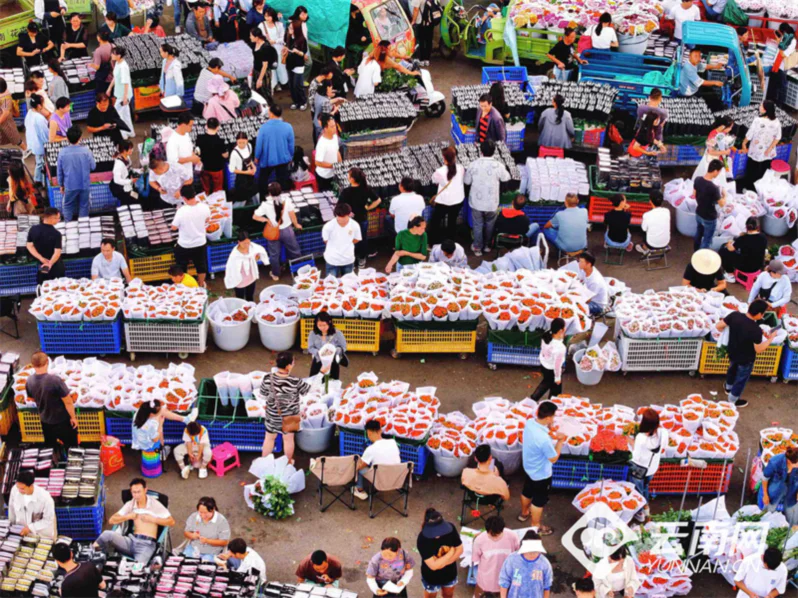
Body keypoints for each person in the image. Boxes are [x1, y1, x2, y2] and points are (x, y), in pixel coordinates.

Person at [95, 478, 175, 564]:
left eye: (139, 492)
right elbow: (112, 520)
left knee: (137, 570)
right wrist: (128, 516)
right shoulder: (130, 504)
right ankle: (95, 556)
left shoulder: (155, 504)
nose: (137, 495)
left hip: (146, 545)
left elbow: (171, 522)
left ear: (145, 490)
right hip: (131, 541)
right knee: (107, 534)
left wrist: (153, 519)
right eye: (134, 492)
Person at [715, 299, 776, 408]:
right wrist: (770, 339)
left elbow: (719, 326)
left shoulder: (734, 315)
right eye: (763, 314)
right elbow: (759, 349)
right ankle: (732, 400)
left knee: (732, 369)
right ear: (758, 314)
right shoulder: (755, 330)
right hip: (746, 359)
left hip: (732, 351)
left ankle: (728, 387)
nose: (763, 316)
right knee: (741, 379)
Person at [519, 401, 565, 532]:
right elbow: (553, 458)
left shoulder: (530, 423)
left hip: (528, 467)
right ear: (548, 418)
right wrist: (561, 441)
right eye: (553, 417)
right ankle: (536, 526)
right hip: (541, 473)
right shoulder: (544, 439)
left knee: (527, 491)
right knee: (538, 501)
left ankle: (524, 514)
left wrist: (549, 427)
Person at [260, 351, 309, 461]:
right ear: (288, 366)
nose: (294, 364)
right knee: (288, 439)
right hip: (290, 415)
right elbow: (308, 391)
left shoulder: (267, 378)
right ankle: (288, 462)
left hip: (273, 414)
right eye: (293, 362)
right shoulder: (295, 381)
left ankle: (263, 463)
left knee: (269, 438)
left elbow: (262, 395)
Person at [465, 140, 511, 257]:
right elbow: (506, 178)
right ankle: (487, 246)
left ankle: (477, 247)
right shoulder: (498, 165)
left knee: (478, 224)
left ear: (481, 151)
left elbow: (467, 181)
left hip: (476, 202)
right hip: (492, 203)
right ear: (494, 151)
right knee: (490, 224)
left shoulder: (473, 164)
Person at [253, 182, 302, 281]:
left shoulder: (265, 204)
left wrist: (266, 220)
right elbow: (292, 214)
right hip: (287, 230)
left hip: (273, 232)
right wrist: (296, 224)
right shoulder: (286, 201)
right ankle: (299, 271)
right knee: (295, 251)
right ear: (281, 191)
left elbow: (255, 216)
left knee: (274, 255)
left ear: (270, 193)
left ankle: (275, 274)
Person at [339, 166, 381, 268]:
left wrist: (347, 213)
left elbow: (340, 206)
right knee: (362, 239)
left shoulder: (346, 192)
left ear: (352, 179)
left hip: (350, 221)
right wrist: (369, 208)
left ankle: (351, 261)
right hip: (362, 219)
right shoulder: (367, 189)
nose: (347, 177)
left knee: (350, 240)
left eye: (349, 176)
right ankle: (362, 259)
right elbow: (378, 200)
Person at [417, 509, 463, 598]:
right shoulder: (422, 539)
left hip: (450, 574)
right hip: (431, 578)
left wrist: (440, 563)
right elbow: (433, 566)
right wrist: (451, 552)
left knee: (448, 595)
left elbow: (460, 550)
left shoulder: (451, 529)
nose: (437, 535)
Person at [171, 185, 210, 288]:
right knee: (201, 266)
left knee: (182, 266)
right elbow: (207, 220)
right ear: (194, 195)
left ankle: (183, 286)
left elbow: (174, 227)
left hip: (184, 244)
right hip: (200, 242)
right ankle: (201, 284)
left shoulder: (181, 211)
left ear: (183, 198)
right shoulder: (204, 207)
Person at [353, 419, 401, 500]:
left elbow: (360, 466)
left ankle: (359, 489)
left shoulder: (370, 449)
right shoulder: (393, 442)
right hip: (396, 479)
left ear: (369, 433)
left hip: (380, 481)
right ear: (380, 430)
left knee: (359, 466)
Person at [473, 517, 519, 598]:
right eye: (491, 534)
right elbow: (476, 559)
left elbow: (518, 555)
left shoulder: (513, 537)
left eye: (497, 534)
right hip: (486, 579)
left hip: (506, 577)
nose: (494, 537)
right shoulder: (479, 540)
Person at [254, 104, 295, 195]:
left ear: (271, 114)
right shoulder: (288, 127)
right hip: (283, 159)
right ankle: (282, 198)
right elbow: (291, 145)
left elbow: (259, 145)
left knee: (263, 180)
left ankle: (264, 197)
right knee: (282, 181)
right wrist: (291, 155)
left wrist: (257, 157)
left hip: (267, 160)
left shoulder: (264, 128)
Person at [630, 408, 668, 507]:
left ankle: (643, 511)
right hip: (652, 469)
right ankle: (646, 502)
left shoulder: (641, 438)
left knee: (638, 490)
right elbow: (663, 447)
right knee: (645, 486)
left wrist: (630, 444)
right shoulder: (663, 433)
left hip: (640, 470)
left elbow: (636, 457)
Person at [57, 126, 95, 221]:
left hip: (69, 185)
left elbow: (59, 172)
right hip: (84, 184)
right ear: (80, 138)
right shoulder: (87, 151)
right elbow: (93, 166)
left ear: (68, 138)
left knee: (68, 206)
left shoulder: (62, 153)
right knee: (83, 206)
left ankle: (68, 226)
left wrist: (61, 185)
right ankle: (83, 227)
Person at [498, 530, 552, 598]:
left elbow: (547, 587)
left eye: (535, 551)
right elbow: (504, 581)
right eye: (529, 551)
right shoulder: (511, 560)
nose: (532, 554)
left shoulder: (545, 564)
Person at [741, 100, 781, 191]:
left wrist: (744, 143)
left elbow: (750, 134)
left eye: (761, 106)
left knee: (752, 169)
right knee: (764, 170)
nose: (759, 107)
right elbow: (778, 137)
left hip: (756, 150)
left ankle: (749, 188)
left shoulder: (757, 121)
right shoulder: (776, 122)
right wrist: (769, 149)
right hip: (768, 152)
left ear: (765, 110)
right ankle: (760, 189)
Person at [429, 146, 465, 244]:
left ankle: (433, 242)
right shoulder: (461, 168)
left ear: (444, 159)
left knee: (435, 221)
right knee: (452, 221)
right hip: (457, 200)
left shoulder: (439, 172)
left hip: (444, 201)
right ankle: (450, 242)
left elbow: (434, 180)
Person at [8, 470, 56, 539]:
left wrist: (30, 528)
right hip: (22, 531)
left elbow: (48, 520)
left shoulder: (45, 498)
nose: (19, 491)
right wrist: (11, 527)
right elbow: (11, 509)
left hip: (40, 533)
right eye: (18, 487)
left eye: (22, 489)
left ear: (30, 486)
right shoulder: (15, 490)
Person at [529, 317, 567, 402]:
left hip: (544, 364)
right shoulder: (560, 348)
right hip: (552, 369)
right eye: (564, 327)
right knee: (555, 390)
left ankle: (533, 399)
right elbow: (557, 366)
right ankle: (550, 404)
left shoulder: (547, 335)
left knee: (546, 382)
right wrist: (557, 378)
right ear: (561, 330)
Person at [692, 159, 727, 250]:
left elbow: (694, 194)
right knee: (707, 240)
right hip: (709, 217)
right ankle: (702, 259)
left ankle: (696, 252)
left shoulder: (698, 179)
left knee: (698, 234)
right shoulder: (713, 188)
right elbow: (722, 204)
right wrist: (724, 195)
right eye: (719, 172)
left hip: (699, 213)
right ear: (715, 171)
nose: (718, 174)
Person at [224, 231, 268, 301]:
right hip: (239, 281)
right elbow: (230, 268)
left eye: (248, 242)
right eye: (244, 243)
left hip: (251, 278)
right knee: (240, 300)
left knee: (250, 297)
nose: (247, 245)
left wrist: (257, 258)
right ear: (239, 242)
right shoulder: (234, 255)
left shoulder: (252, 247)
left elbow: (259, 252)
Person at [322, 202, 362, 277]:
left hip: (348, 260)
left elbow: (357, 239)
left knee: (348, 284)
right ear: (336, 215)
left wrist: (346, 243)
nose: (342, 219)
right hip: (332, 260)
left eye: (344, 216)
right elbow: (326, 240)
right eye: (340, 216)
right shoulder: (328, 226)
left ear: (349, 214)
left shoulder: (355, 225)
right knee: (331, 285)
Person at [26, 209, 65, 283]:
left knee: (43, 286)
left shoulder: (33, 229)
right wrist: (50, 263)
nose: (59, 220)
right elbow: (57, 253)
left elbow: (29, 246)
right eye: (58, 218)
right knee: (58, 289)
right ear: (51, 218)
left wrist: (41, 258)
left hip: (43, 266)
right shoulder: (56, 234)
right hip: (55, 266)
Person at [692, 116, 735, 182]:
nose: (731, 129)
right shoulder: (713, 135)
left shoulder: (723, 133)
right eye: (730, 127)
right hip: (711, 161)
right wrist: (724, 152)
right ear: (723, 126)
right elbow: (710, 152)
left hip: (720, 160)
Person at [307, 312, 348, 379]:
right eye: (320, 325)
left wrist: (337, 350)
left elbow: (344, 347)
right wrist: (319, 353)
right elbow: (310, 347)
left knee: (332, 382)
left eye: (324, 325)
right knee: (315, 381)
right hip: (318, 360)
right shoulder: (312, 334)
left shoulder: (337, 333)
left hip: (333, 361)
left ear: (329, 323)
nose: (322, 328)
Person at [762, 447, 798, 523]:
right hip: (775, 489)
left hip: (792, 488)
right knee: (769, 511)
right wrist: (765, 495)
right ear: (789, 461)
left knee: (793, 513)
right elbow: (765, 478)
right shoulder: (775, 462)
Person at [197, 117, 229, 194]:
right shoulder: (220, 141)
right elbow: (225, 155)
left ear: (206, 126)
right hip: (216, 168)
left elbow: (197, 152)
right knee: (217, 189)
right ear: (218, 127)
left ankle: (205, 203)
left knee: (205, 189)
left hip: (204, 167)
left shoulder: (199, 138)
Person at [167, 112, 201, 185]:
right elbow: (173, 161)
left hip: (188, 175)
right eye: (190, 125)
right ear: (183, 125)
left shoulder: (186, 135)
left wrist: (195, 157)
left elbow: (189, 149)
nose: (191, 128)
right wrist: (191, 159)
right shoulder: (173, 140)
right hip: (179, 180)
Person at [108, 46, 134, 140]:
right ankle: (130, 132)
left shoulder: (123, 67)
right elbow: (115, 77)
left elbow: (126, 82)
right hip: (120, 93)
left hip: (123, 95)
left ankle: (123, 135)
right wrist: (109, 88)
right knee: (125, 114)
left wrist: (125, 97)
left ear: (119, 56)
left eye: (113, 54)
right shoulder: (118, 64)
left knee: (118, 115)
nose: (111, 55)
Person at [634, 191, 669, 256]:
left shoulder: (647, 215)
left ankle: (645, 248)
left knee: (643, 230)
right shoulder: (667, 211)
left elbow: (644, 229)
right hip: (665, 243)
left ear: (650, 201)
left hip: (651, 244)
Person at [25, 94, 49, 186]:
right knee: (40, 163)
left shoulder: (29, 113)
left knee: (38, 162)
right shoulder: (39, 118)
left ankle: (38, 179)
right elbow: (44, 133)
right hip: (39, 144)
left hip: (32, 142)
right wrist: (48, 143)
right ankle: (40, 182)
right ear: (39, 106)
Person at [286, 17, 309, 110]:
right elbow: (285, 45)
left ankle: (303, 101)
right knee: (291, 85)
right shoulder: (288, 36)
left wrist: (297, 51)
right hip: (290, 63)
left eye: (291, 28)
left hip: (298, 64)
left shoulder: (302, 39)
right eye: (289, 28)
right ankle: (295, 101)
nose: (289, 30)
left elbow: (304, 52)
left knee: (298, 85)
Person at [262, 8, 287, 91]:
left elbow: (283, 37)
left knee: (281, 67)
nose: (267, 18)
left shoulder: (279, 25)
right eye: (265, 16)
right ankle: (274, 84)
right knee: (272, 68)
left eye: (269, 16)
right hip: (268, 51)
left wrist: (275, 41)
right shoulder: (262, 25)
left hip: (278, 49)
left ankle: (283, 82)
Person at [229, 132, 258, 205]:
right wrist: (246, 172)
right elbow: (232, 169)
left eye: (243, 142)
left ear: (247, 141)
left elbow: (250, 159)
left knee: (254, 192)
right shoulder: (234, 153)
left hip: (250, 176)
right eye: (239, 143)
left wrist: (254, 167)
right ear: (236, 141)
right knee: (241, 198)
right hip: (241, 178)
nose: (241, 145)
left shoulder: (249, 146)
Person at [315, 114, 341, 192]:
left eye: (335, 125)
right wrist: (332, 166)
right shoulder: (322, 143)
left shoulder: (335, 137)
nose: (335, 128)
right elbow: (318, 162)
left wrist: (341, 164)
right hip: (324, 176)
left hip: (333, 174)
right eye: (332, 127)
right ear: (325, 128)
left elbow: (337, 151)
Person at [250, 28, 276, 102]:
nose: (250, 37)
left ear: (257, 37)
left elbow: (265, 65)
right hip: (256, 71)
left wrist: (260, 79)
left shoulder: (265, 47)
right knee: (255, 93)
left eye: (251, 36)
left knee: (265, 94)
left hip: (263, 74)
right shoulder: (254, 43)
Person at [110, 139, 138, 206]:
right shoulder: (118, 164)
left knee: (135, 199)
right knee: (127, 203)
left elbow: (129, 169)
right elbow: (117, 180)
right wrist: (130, 181)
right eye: (130, 149)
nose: (132, 150)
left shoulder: (127, 157)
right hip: (121, 189)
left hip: (128, 186)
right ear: (124, 151)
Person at [0, 79, 23, 149]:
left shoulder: (6, 97)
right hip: (2, 120)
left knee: (15, 138)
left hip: (6, 121)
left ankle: (26, 150)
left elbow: (6, 113)